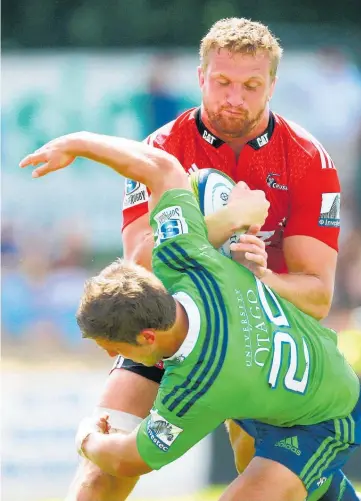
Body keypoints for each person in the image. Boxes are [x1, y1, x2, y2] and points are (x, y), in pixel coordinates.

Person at [40, 17, 342, 501]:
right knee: (100, 477)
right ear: (201, 77)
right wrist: (222, 222)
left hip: (256, 339)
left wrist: (258, 277)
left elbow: (318, 296)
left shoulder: (307, 160)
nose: (234, 98)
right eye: (222, 82)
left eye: (251, 86)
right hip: (168, 326)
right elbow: (140, 267)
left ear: (272, 87)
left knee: (256, 483)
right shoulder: (162, 148)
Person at [21, 131, 361, 501]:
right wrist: (78, 143)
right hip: (271, 385)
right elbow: (162, 167)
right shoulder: (185, 254)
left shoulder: (197, 387)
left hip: (322, 418)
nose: (111, 357)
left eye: (113, 348)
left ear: (148, 337)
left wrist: (86, 438)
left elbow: (130, 459)